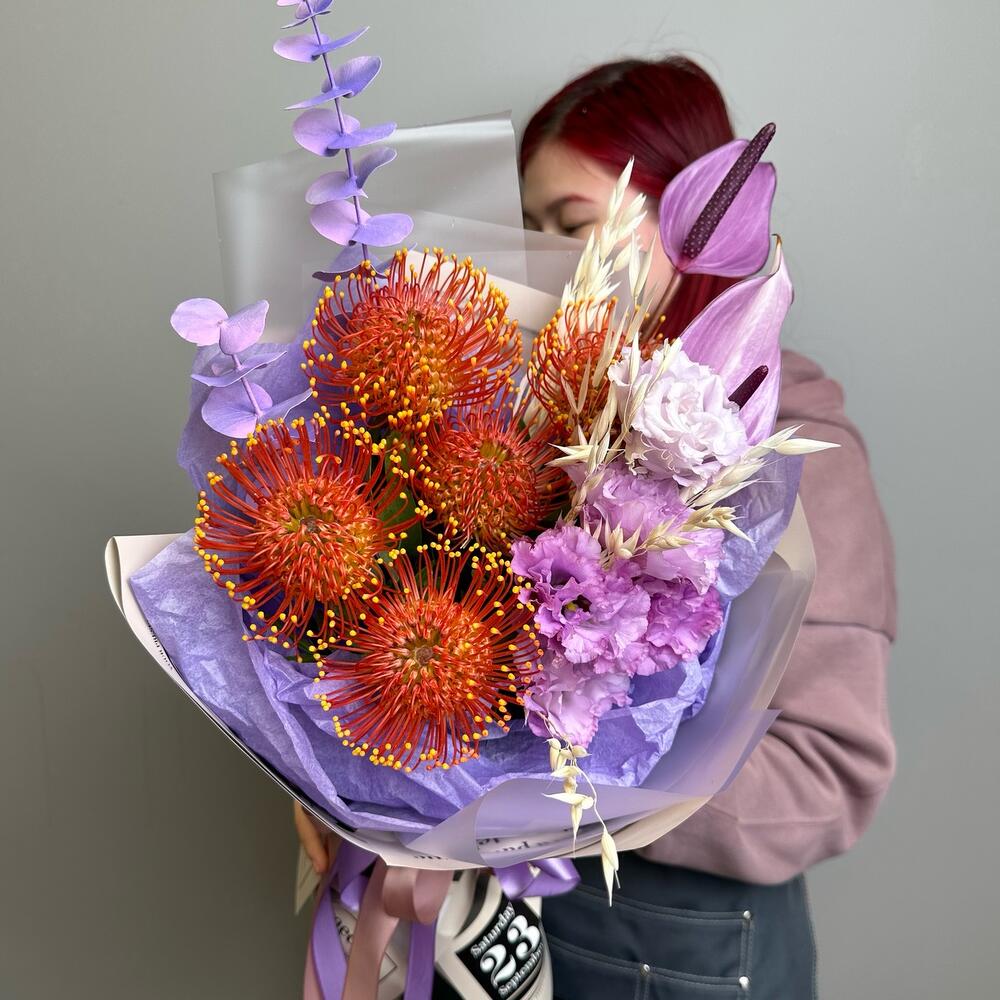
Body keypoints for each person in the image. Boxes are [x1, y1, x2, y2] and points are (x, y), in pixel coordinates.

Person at [297, 55, 896, 1000]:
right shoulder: (502, 427)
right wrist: (357, 760)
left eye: (573, 226)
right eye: (528, 230)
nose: (546, 263)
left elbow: (826, 781)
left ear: (700, 222)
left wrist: (547, 784)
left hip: (673, 958)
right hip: (476, 941)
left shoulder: (792, 453)